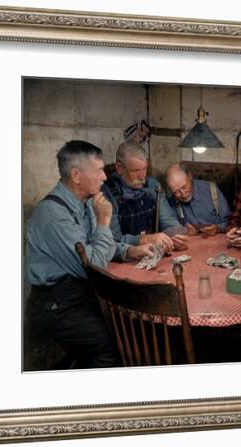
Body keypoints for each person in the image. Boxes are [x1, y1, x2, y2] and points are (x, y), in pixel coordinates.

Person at [25, 140, 151, 369]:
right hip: (56, 304)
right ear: (76, 175)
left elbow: (98, 245)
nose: (105, 176)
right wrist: (104, 220)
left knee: (133, 327)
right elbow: (95, 265)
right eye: (99, 170)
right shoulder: (53, 215)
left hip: (82, 294)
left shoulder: (84, 203)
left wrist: (130, 250)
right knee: (111, 345)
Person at [102, 141, 188, 252]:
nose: (143, 176)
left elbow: (169, 222)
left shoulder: (153, 186)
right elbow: (113, 240)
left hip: (152, 255)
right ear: (119, 168)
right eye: (136, 171)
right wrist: (143, 239)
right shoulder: (107, 193)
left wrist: (176, 236)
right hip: (124, 257)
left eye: (145, 169)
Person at [165, 163, 231, 236]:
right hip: (191, 244)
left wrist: (218, 228)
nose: (183, 194)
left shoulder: (211, 190)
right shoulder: (172, 201)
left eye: (184, 187)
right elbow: (169, 228)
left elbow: (230, 222)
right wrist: (183, 230)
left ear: (190, 176)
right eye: (176, 192)